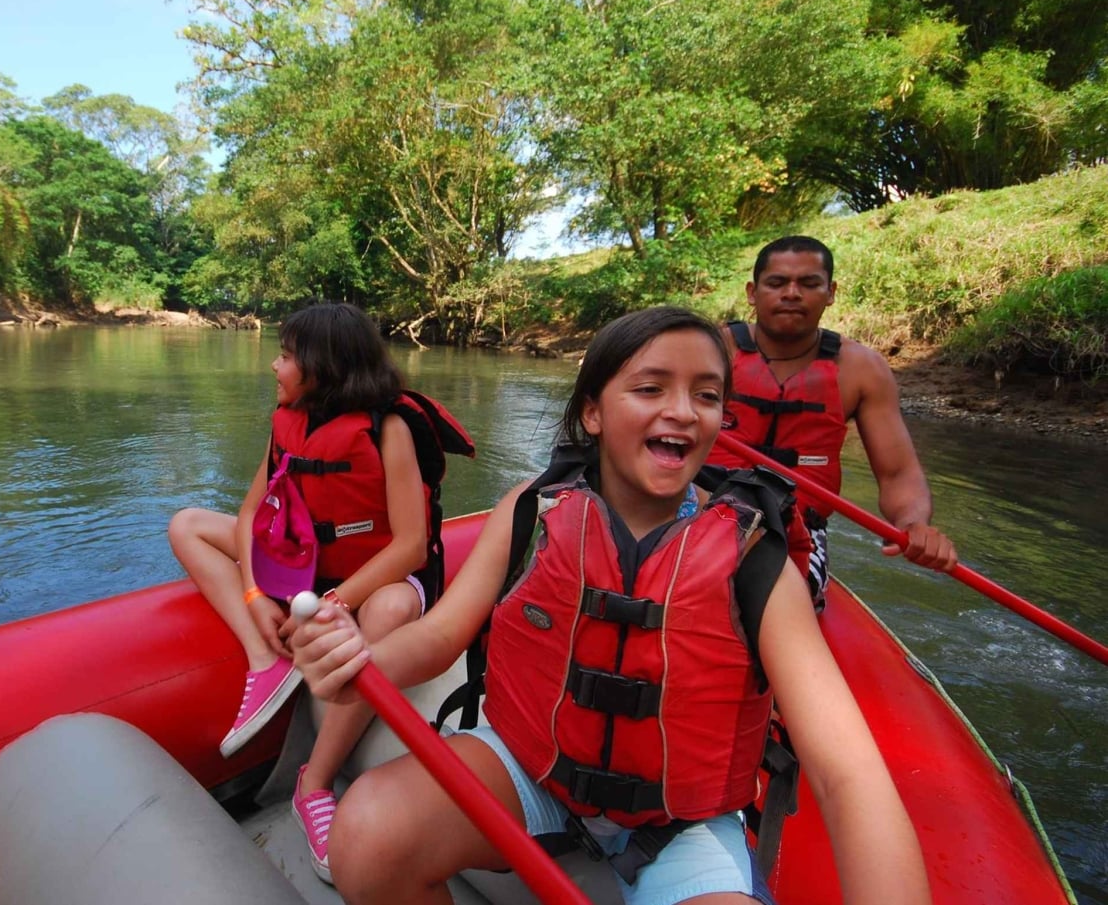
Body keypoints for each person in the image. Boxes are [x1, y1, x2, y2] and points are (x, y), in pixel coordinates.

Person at [290, 306, 931, 905]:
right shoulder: (532, 510)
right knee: (368, 836)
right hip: (529, 764)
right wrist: (358, 666)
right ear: (593, 412)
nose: (682, 411)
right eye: (650, 389)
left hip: (682, 818)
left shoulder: (754, 556)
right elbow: (438, 638)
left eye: (706, 395)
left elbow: (848, 776)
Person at [168, 301, 470, 884]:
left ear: (321, 365)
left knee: (389, 608)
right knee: (186, 525)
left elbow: (409, 544)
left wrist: (340, 603)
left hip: (380, 575)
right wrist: (257, 598)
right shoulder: (290, 418)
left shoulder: (390, 428)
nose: (274, 366)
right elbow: (251, 512)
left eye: (285, 355)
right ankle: (266, 662)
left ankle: (315, 782)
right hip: (308, 570)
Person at [705, 234, 957, 602]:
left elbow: (898, 473)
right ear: (752, 292)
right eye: (776, 283)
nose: (792, 293)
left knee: (770, 592)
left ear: (831, 292)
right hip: (699, 506)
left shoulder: (862, 370)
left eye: (809, 284)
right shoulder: (708, 349)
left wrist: (912, 524)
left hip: (797, 528)